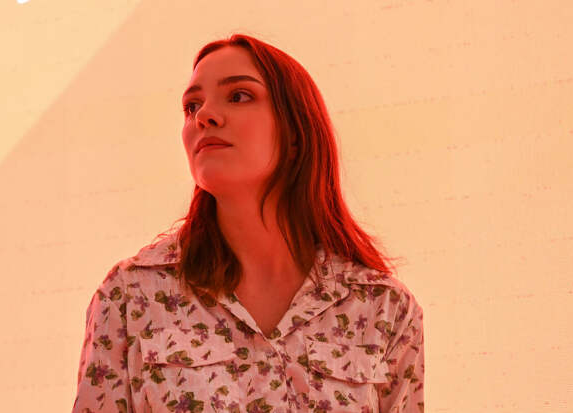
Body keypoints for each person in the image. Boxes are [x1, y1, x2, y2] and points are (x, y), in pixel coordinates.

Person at [71, 33, 424, 413]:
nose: (204, 116)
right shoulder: (131, 295)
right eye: (191, 106)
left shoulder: (383, 307)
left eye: (239, 96)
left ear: (296, 132)